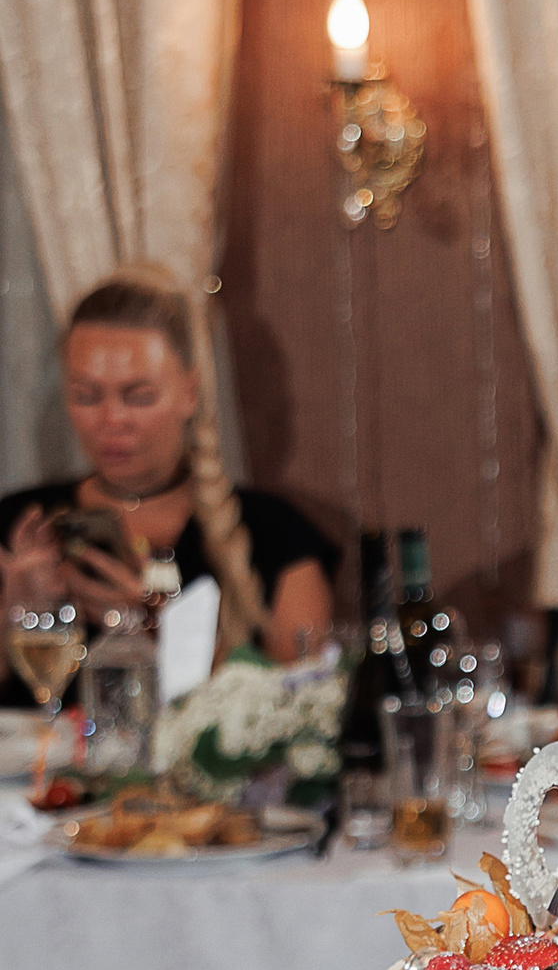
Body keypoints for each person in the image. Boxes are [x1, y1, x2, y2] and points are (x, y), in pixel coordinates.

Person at [0, 265, 335, 687]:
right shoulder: (17, 524)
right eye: (86, 396)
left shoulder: (275, 534)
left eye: (138, 396)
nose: (112, 419)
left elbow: (304, 706)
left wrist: (163, 631)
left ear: (189, 393)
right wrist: (14, 612)